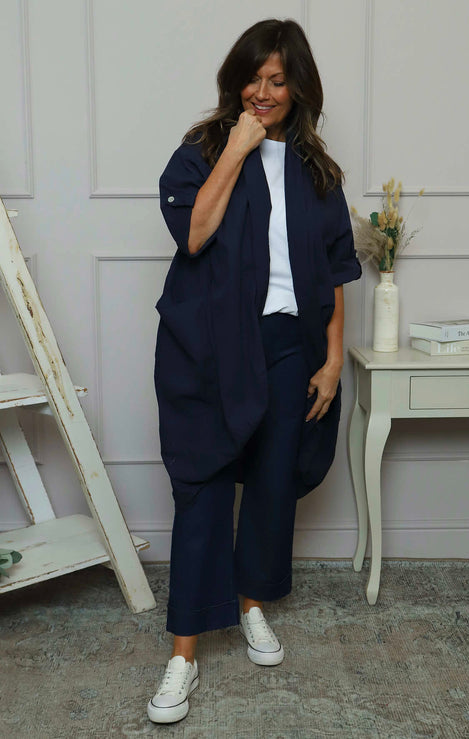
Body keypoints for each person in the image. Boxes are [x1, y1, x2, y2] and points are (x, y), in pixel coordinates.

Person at [148, 18, 361, 724]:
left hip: (288, 344)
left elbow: (335, 270)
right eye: (253, 78)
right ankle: (183, 654)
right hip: (209, 344)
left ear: (299, 88)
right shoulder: (200, 152)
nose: (263, 92)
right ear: (235, 80)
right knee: (202, 485)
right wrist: (238, 148)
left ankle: (251, 606)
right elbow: (195, 233)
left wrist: (332, 357)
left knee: (272, 484)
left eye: (277, 81)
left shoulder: (317, 171)